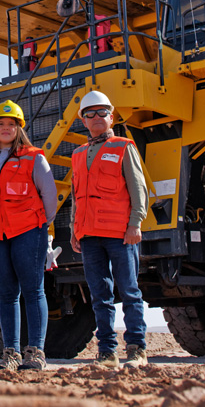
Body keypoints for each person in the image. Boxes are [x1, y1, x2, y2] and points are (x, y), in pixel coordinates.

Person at [0, 100, 59, 372]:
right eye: (1, 124)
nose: (6, 128)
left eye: (11, 124)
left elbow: (50, 197)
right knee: (6, 294)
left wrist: (40, 227)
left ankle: (36, 352)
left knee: (33, 291)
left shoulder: (34, 157)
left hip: (28, 233)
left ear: (19, 128)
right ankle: (10, 354)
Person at [69, 90, 149, 367]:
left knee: (129, 290)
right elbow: (76, 195)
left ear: (111, 116)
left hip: (120, 233)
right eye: (90, 113)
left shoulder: (123, 147)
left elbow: (138, 189)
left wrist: (135, 223)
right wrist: (73, 230)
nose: (96, 117)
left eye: (102, 112)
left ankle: (137, 348)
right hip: (89, 235)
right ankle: (106, 351)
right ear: (83, 121)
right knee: (100, 295)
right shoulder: (78, 154)